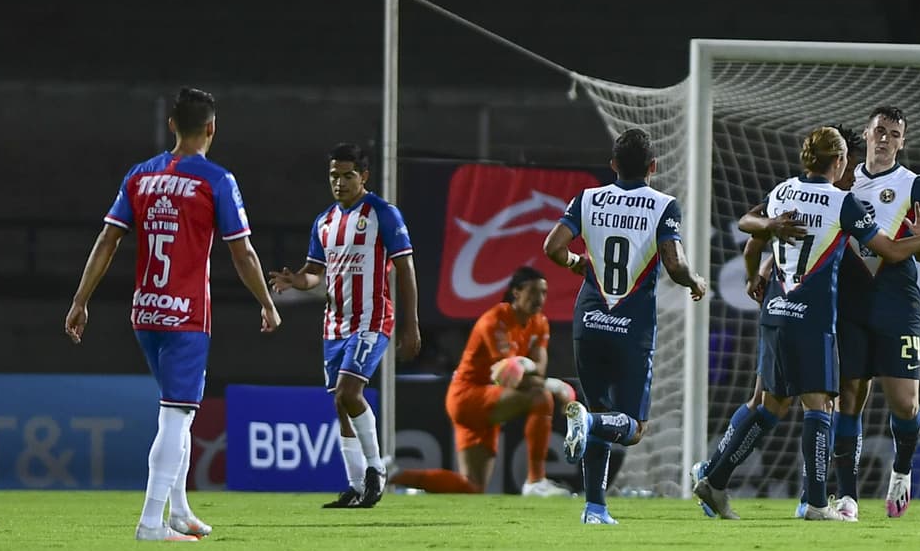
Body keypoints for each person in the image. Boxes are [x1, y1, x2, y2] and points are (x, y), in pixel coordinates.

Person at [692, 126, 920, 521]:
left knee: (767, 404)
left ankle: (713, 475)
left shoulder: (783, 191)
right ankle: (814, 502)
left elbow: (752, 235)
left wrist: (756, 274)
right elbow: (885, 249)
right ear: (840, 162)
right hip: (812, 316)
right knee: (820, 406)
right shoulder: (842, 203)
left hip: (775, 311)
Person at [63, 87, 282, 542]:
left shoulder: (140, 176)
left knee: (178, 410)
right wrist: (266, 301)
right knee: (175, 417)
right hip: (185, 315)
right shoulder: (216, 180)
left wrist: (80, 300)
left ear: (171, 126)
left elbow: (108, 241)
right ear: (211, 129)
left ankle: (180, 511)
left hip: (145, 311)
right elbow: (241, 252)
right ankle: (149, 523)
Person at [542, 127, 707, 524]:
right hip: (630, 326)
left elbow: (552, 247)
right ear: (653, 167)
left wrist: (577, 264)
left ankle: (595, 507)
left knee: (598, 407)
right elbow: (674, 263)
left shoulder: (587, 199)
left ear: (613, 165)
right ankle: (590, 426)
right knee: (632, 427)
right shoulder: (664, 205)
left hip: (589, 319)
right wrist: (695, 281)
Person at [268, 143, 421, 509]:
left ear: (364, 176)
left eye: (347, 175)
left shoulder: (384, 214)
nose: (339, 182)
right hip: (334, 324)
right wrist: (295, 281)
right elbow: (314, 276)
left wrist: (410, 323)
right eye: (334, 176)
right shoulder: (324, 221)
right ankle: (355, 487)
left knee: (347, 393)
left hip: (372, 320)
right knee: (340, 404)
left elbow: (405, 268)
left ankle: (375, 471)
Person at [833, 105, 920, 520]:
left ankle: (901, 472)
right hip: (849, 299)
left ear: (903, 142)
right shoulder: (842, 179)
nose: (885, 139)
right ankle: (847, 497)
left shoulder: (913, 184)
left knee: (904, 403)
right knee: (849, 396)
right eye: (879, 130)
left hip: (897, 300)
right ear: (865, 133)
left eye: (894, 134)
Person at [443, 265, 573, 496]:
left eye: (544, 293)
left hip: (490, 396)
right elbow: (507, 377)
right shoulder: (495, 320)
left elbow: (536, 371)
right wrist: (554, 385)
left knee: (472, 487)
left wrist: (527, 367)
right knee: (541, 397)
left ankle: (398, 477)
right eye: (533, 292)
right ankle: (535, 481)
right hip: (468, 395)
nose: (540, 299)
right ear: (516, 292)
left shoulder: (540, 323)